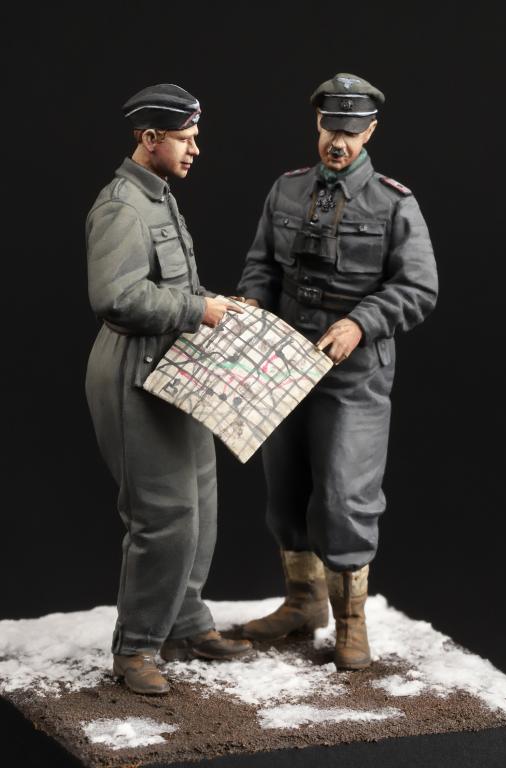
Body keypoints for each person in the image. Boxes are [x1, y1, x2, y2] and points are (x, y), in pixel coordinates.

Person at [236, 73, 438, 670]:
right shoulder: (287, 190)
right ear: (317, 123)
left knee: (345, 496)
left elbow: (419, 287)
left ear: (371, 131)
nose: (338, 143)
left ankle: (351, 621)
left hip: (353, 377)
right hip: (282, 364)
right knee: (285, 491)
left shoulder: (394, 204)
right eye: (331, 129)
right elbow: (261, 265)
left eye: (351, 132)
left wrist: (360, 322)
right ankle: (304, 603)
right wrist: (251, 305)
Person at [85, 83, 250, 695]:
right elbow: (115, 297)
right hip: (135, 374)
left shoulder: (159, 196)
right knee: (162, 517)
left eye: (194, 137)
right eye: (184, 138)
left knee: (200, 504)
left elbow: (173, 283)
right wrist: (197, 309)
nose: (195, 149)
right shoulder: (122, 207)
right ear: (149, 138)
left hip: (176, 369)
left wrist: (209, 302)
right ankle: (135, 648)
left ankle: (184, 621)